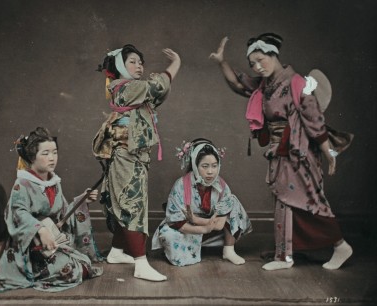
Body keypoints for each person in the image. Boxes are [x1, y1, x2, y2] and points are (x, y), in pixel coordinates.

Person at [209, 34, 353, 270]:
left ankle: (340, 245)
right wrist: (221, 62)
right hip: (280, 151)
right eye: (252, 63)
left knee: (309, 200)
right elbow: (238, 83)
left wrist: (329, 152)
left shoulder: (296, 82)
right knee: (284, 201)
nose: (257, 66)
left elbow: (314, 119)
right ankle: (284, 254)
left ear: (273, 55)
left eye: (260, 60)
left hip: (299, 151)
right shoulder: (266, 85)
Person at [92, 44, 181, 281]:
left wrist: (162, 83)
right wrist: (175, 65)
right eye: (132, 61)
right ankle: (141, 264)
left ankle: (116, 252)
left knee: (128, 205)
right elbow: (157, 86)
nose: (139, 65)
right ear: (120, 66)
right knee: (132, 206)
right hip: (125, 157)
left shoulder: (134, 92)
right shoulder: (124, 88)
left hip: (134, 157)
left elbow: (157, 94)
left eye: (140, 61)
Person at [0, 127, 103, 292]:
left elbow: (64, 213)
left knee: (84, 263)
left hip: (51, 240)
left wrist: (83, 200)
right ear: (32, 157)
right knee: (71, 271)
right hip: (31, 246)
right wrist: (40, 229)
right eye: (45, 153)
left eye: (55, 152)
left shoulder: (54, 182)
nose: (52, 158)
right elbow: (18, 213)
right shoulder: (22, 184)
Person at [151, 138, 252, 267]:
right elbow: (176, 221)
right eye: (205, 166)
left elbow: (220, 225)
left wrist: (198, 220)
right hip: (188, 229)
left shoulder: (221, 185)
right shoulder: (181, 185)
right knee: (168, 235)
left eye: (214, 166)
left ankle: (228, 250)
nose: (210, 171)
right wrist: (202, 227)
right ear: (195, 165)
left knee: (232, 200)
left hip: (213, 229)